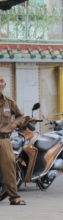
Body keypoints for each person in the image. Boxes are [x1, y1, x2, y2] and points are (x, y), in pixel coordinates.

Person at [0, 74, 25, 205]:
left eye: (1, 81)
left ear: (4, 85)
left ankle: (14, 198)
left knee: (9, 168)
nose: (0, 83)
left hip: (4, 140)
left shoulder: (9, 102)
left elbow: (20, 116)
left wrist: (15, 124)